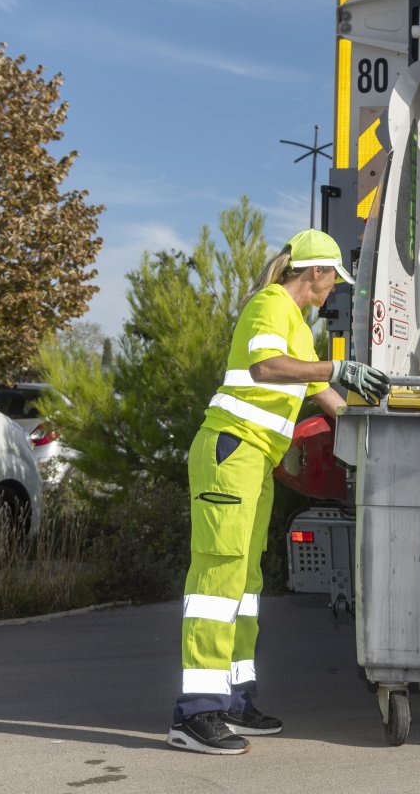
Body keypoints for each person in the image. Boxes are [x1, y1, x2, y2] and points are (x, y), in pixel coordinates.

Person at [166, 229, 390, 755]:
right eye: (333, 277)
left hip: (253, 462)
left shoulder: (297, 325)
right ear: (314, 272)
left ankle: (234, 700)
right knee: (215, 580)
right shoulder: (270, 304)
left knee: (244, 584)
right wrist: (336, 366)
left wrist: (378, 428)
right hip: (230, 452)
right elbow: (265, 369)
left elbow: (323, 395)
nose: (334, 288)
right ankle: (195, 713)